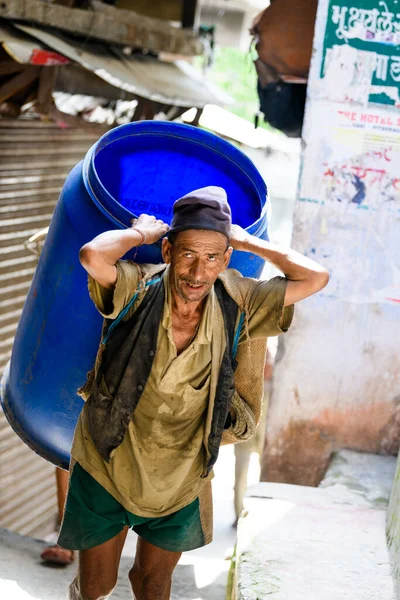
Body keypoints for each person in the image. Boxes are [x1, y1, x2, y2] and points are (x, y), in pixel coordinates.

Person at [57, 186, 329, 600]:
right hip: (108, 461)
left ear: (225, 260)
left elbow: (316, 278)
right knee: (96, 588)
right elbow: (93, 255)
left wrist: (246, 240)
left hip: (183, 473)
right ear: (167, 253)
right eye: (187, 254)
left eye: (212, 258)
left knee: (153, 586)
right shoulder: (138, 288)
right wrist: (140, 233)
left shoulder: (241, 303)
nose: (197, 273)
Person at [233, 348, 274, 524]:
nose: (265, 368)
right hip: (244, 436)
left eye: (268, 365)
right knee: (240, 475)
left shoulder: (273, 386)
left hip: (264, 438)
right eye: (263, 365)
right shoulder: (248, 382)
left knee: (264, 474)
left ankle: (259, 513)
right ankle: (239, 514)